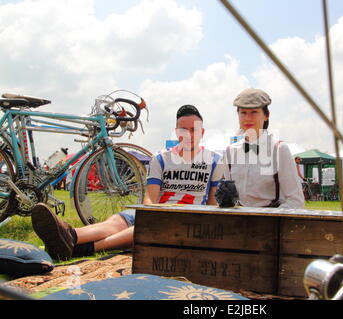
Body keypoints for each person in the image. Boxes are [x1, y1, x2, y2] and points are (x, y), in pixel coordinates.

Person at [31, 104, 224, 260]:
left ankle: (83, 248)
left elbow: (212, 203)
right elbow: (151, 196)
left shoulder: (214, 160)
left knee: (149, 227)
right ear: (176, 131)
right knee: (119, 220)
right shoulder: (161, 158)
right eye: (184, 130)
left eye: (194, 130)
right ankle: (70, 235)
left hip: (186, 219)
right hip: (158, 210)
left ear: (202, 132)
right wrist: (151, 211)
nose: (189, 135)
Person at [222, 88, 304, 209]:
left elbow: (296, 200)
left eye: (254, 112)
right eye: (243, 113)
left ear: (266, 115)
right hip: (237, 222)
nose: (247, 118)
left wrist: (269, 218)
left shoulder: (279, 149)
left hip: (272, 222)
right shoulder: (230, 151)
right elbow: (229, 196)